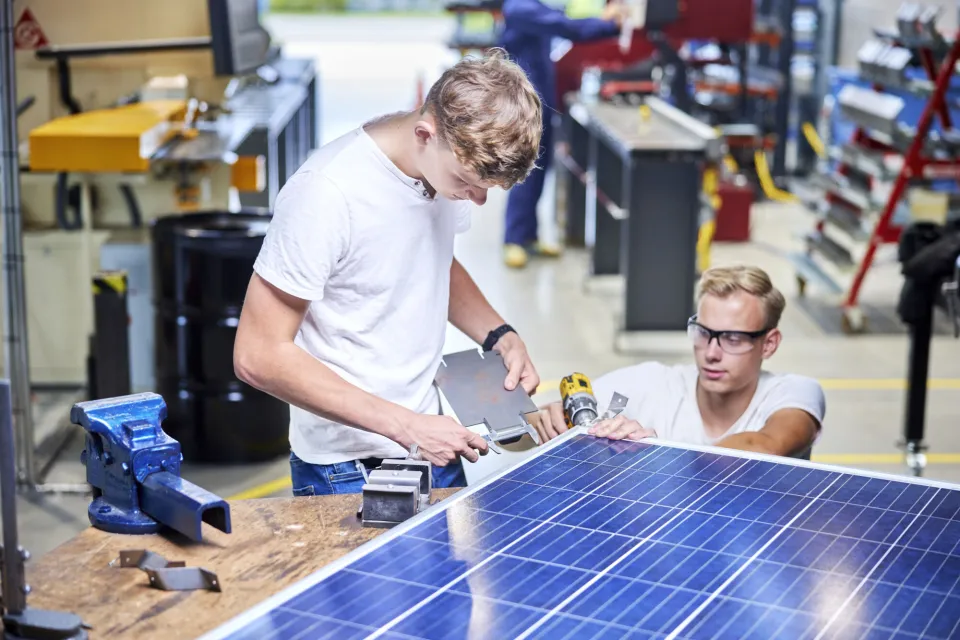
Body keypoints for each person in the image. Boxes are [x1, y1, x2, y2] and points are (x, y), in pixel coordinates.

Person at [233, 51, 544, 497]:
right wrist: (407, 427)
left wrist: (499, 335)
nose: (476, 201)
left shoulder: (441, 172)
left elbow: (436, 260)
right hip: (347, 467)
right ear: (425, 133)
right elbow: (257, 355)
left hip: (432, 441)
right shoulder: (327, 193)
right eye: (466, 183)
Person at [533, 265, 826, 459]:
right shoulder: (651, 383)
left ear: (769, 343)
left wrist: (656, 454)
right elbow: (534, 424)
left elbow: (764, 445)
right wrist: (549, 420)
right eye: (703, 333)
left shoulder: (794, 393)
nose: (711, 352)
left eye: (733, 338)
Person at [499, 0, 627, 269]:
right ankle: (514, 239)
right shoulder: (519, 8)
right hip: (523, 103)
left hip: (541, 99)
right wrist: (608, 24)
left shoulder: (533, 5)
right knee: (523, 171)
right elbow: (566, 27)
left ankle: (528, 236)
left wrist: (601, 17)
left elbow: (564, 16)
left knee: (539, 170)